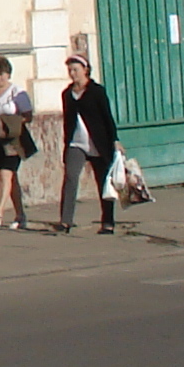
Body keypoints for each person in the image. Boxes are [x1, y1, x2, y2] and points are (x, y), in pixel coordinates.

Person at [56, 53, 119, 234]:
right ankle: (65, 221)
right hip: (77, 144)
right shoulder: (67, 94)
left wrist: (115, 140)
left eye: (76, 69)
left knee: (103, 182)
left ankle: (107, 222)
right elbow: (68, 121)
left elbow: (107, 117)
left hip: (98, 144)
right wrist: (66, 144)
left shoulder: (97, 91)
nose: (72, 73)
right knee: (70, 178)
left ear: (86, 70)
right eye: (70, 70)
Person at [0, 54, 36, 231]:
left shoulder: (17, 93)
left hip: (12, 140)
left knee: (6, 174)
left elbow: (28, 116)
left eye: (1, 73)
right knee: (10, 178)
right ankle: (20, 214)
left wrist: (11, 122)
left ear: (8, 74)